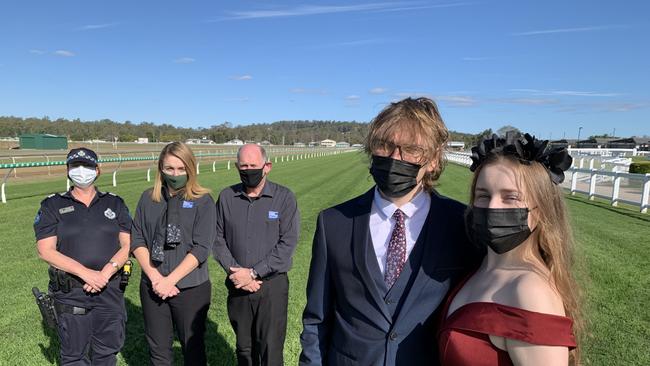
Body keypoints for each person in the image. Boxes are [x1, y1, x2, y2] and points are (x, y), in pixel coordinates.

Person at [299, 97, 483, 365]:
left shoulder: (461, 224)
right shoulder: (333, 222)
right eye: (385, 146)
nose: (395, 158)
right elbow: (317, 319)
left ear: (432, 160)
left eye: (411, 150)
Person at [437, 133, 581, 365]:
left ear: (542, 210)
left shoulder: (530, 291)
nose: (492, 206)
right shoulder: (481, 266)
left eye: (510, 197)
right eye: (483, 195)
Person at [34, 147, 131, 366]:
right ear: (67, 170)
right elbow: (45, 250)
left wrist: (104, 274)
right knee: (74, 356)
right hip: (71, 292)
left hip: (110, 290)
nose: (81, 171)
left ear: (97, 170)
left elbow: (128, 244)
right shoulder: (52, 204)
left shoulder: (115, 203)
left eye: (86, 166)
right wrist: (87, 274)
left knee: (107, 352)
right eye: (75, 166)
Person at [213, 143, 300, 366]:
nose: (248, 170)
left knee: (270, 349)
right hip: (238, 285)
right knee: (244, 348)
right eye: (243, 165)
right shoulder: (226, 198)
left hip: (271, 287)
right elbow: (217, 239)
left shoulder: (284, 198)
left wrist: (253, 273)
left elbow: (287, 243)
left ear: (267, 166)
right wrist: (237, 274)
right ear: (236, 167)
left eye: (253, 165)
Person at [130, 142, 216, 366]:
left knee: (192, 348)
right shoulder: (148, 199)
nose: (175, 174)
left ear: (190, 168)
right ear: (160, 169)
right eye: (169, 168)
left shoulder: (203, 201)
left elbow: (201, 247)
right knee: (158, 349)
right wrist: (157, 278)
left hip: (190, 288)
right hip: (153, 286)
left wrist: (170, 280)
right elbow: (137, 239)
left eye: (181, 169)